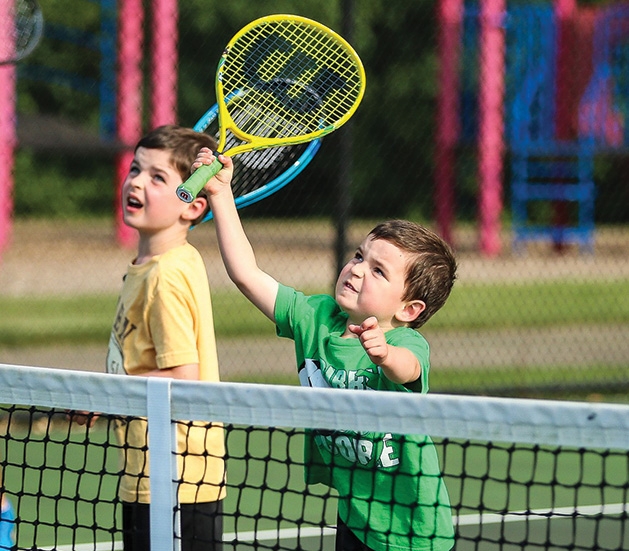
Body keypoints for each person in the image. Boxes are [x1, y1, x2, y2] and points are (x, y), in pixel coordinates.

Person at [192, 149, 457, 551]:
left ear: (409, 309)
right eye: (358, 256)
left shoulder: (405, 342)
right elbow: (247, 275)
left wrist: (383, 355)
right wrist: (221, 194)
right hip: (354, 516)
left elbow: (408, 370)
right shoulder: (314, 317)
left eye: (378, 271)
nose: (356, 268)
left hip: (414, 532)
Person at [71, 126, 226, 551]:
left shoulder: (165, 276)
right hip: (152, 471)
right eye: (136, 169)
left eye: (158, 177)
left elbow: (181, 375)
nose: (136, 181)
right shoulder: (152, 264)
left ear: (193, 206)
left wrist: (106, 395)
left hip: (174, 477)